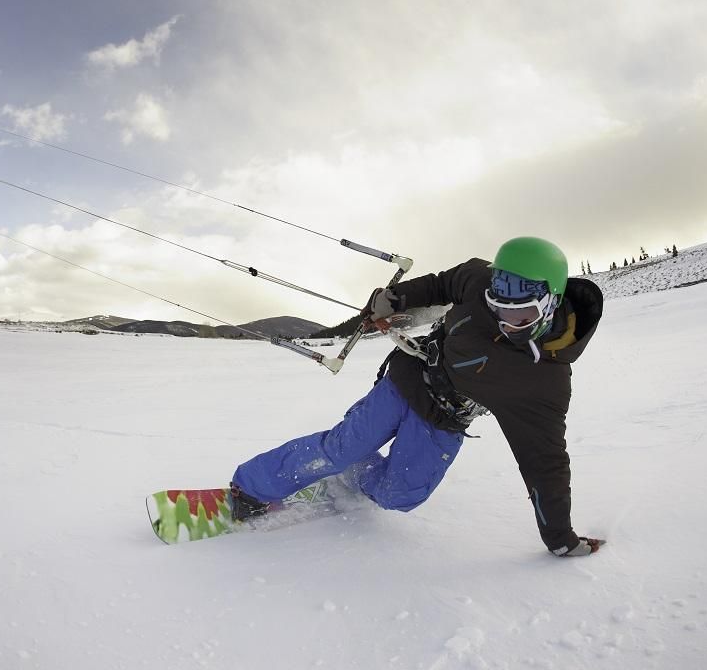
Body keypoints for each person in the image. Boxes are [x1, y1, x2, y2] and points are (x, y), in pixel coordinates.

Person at [230, 236, 606, 557]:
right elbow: (442, 285)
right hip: (407, 378)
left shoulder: (543, 384)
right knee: (341, 446)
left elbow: (545, 463)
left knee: (400, 496)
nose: (507, 324)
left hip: (444, 419)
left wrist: (560, 538)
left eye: (521, 317)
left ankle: (356, 470)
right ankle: (252, 486)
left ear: (550, 303)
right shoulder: (479, 280)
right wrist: (394, 299)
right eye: (497, 309)